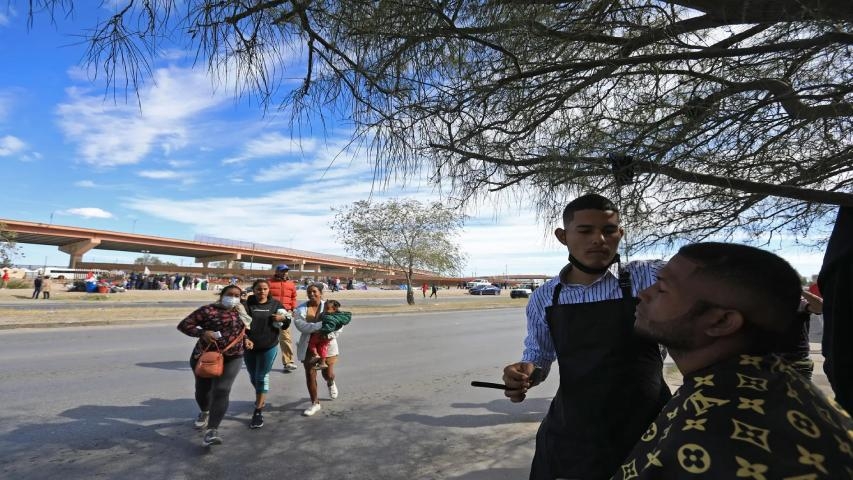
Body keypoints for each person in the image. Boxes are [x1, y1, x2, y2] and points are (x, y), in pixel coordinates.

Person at [615, 242, 853, 479]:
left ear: (722, 322)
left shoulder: (715, 434)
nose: (643, 293)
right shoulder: (774, 386)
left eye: (662, 288)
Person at [502, 193, 670, 480]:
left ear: (620, 234)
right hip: (573, 435)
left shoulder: (650, 277)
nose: (599, 239)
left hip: (648, 428)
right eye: (585, 231)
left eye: (608, 230)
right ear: (562, 236)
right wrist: (526, 373)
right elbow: (539, 356)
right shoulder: (545, 297)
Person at [177, 284, 253, 447]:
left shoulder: (240, 310)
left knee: (222, 390)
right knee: (203, 390)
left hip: (234, 356)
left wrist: (245, 338)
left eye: (237, 295)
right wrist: (202, 333)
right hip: (206, 356)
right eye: (230, 294)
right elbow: (184, 325)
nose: (233, 297)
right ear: (222, 295)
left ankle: (212, 431)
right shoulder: (208, 310)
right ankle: (204, 411)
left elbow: (242, 329)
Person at [243, 279, 288, 429]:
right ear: (253, 290)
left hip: (269, 346)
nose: (261, 292)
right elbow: (239, 324)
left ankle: (258, 410)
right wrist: (245, 339)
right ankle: (261, 393)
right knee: (253, 376)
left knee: (261, 377)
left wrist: (283, 319)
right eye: (258, 289)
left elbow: (286, 322)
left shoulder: (275, 305)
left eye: (264, 289)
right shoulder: (247, 304)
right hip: (249, 347)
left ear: (269, 290)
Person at [293, 284, 342, 416]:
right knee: (310, 373)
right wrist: (321, 326)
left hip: (327, 345)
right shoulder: (300, 309)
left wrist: (329, 334)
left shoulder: (330, 305)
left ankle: (331, 382)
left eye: (314, 291)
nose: (311, 294)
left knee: (328, 374)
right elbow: (302, 326)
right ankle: (315, 403)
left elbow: (339, 325)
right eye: (309, 292)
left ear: (321, 293)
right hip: (310, 345)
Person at [269, 264, 298, 373]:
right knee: (268, 337)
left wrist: (293, 308)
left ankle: (288, 362)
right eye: (282, 271)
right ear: (277, 271)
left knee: (285, 338)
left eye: (286, 271)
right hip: (271, 313)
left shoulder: (291, 284)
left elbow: (293, 297)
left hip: (285, 314)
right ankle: (264, 360)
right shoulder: (269, 282)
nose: (284, 273)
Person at [307, 299, 351, 370]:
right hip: (328, 337)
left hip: (323, 334)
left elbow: (330, 327)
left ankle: (315, 355)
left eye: (327, 308)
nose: (325, 310)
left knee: (311, 343)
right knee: (323, 347)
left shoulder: (328, 317)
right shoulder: (338, 317)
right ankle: (322, 363)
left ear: (334, 309)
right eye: (324, 308)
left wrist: (321, 331)